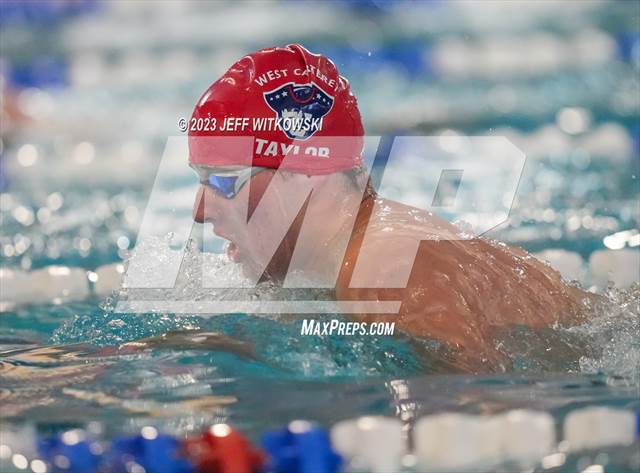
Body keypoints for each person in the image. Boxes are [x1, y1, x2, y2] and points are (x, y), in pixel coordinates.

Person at [189, 44, 590, 372]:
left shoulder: (384, 267)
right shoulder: (339, 261)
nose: (200, 211)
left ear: (303, 170)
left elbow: (476, 412)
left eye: (223, 181)